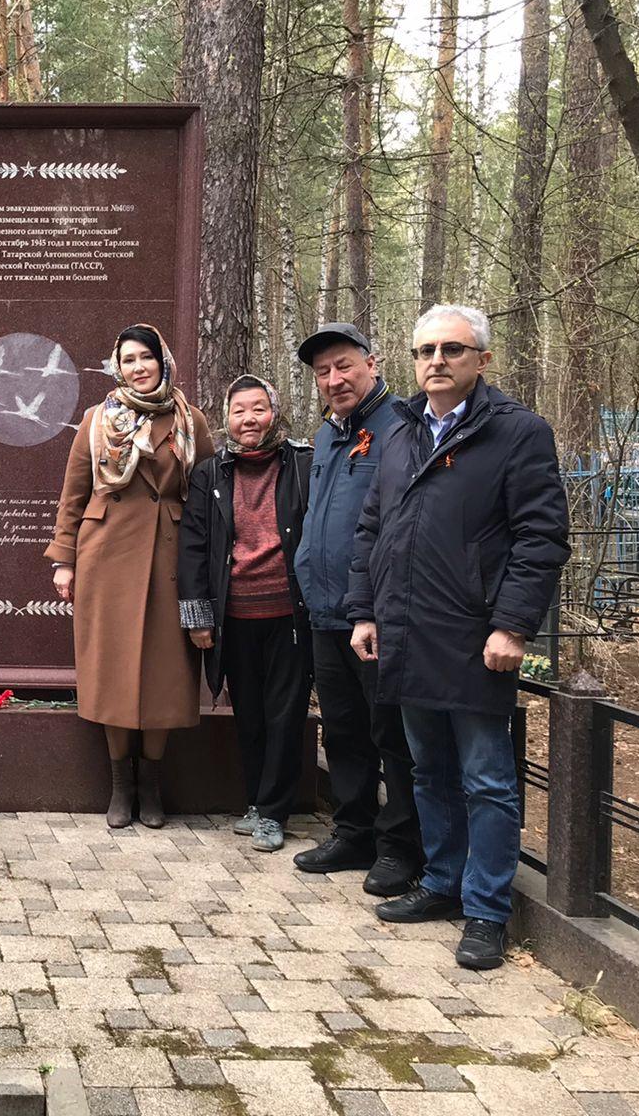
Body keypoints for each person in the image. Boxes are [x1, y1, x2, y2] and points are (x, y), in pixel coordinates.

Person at [347, 304, 569, 971]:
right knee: (429, 769)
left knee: (487, 779)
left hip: (476, 636)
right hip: (407, 631)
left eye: (451, 349)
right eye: (425, 351)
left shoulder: (518, 432)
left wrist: (512, 624)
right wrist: (366, 612)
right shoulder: (399, 430)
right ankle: (442, 884)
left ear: (481, 360)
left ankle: (487, 911)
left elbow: (541, 536)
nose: (436, 361)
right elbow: (372, 529)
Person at [46, 324, 214, 829]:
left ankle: (152, 784)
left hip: (170, 557)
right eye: (128, 360)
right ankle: (120, 785)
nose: (139, 367)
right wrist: (64, 558)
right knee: (112, 669)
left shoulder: (192, 420)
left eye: (147, 357)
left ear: (163, 361)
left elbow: (206, 496)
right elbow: (74, 492)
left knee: (165, 672)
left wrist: (205, 562)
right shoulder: (97, 421)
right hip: (108, 555)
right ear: (116, 367)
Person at [291, 322, 423, 897]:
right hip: (324, 609)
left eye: (344, 365)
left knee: (390, 732)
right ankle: (354, 830)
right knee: (343, 731)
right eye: (323, 372)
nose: (334, 379)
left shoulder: (401, 429)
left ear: (372, 362)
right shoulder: (326, 438)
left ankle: (400, 846)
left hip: (376, 614)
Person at [179, 376, 313, 852]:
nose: (249, 419)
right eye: (239, 410)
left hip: (289, 614)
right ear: (228, 417)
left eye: (258, 409)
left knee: (285, 713)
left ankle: (275, 812)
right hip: (235, 616)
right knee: (250, 714)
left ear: (273, 413)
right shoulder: (210, 474)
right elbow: (193, 547)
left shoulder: (303, 464)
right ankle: (256, 800)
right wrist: (197, 616)